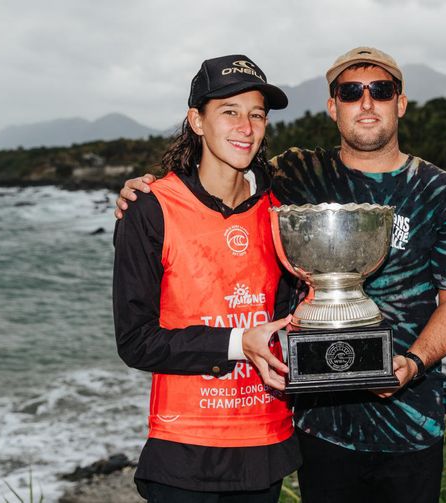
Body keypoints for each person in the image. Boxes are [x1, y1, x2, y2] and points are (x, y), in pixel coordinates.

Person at [116, 47, 446, 503]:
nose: (366, 103)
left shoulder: (442, 192)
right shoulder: (298, 174)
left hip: (411, 421)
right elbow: (219, 178)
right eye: (351, 92)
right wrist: (145, 191)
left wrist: (410, 365)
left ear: (401, 102)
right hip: (319, 423)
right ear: (333, 108)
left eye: (381, 90)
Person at [112, 54, 301, 503]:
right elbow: (136, 341)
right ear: (196, 120)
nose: (246, 126)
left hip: (264, 443)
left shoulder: (285, 210)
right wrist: (238, 344)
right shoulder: (150, 208)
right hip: (183, 449)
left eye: (257, 114)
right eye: (229, 112)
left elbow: (293, 315)